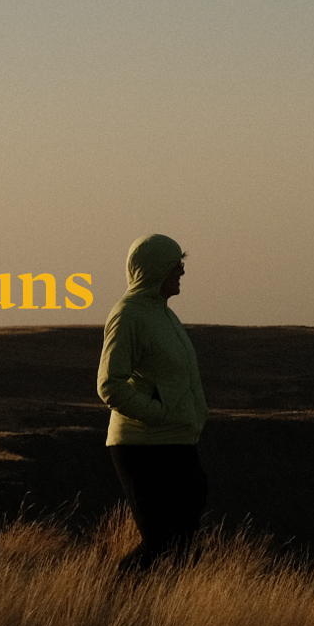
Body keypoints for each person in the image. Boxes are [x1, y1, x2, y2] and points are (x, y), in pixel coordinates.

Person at [96, 233, 208, 572]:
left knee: (184, 548)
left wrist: (194, 417)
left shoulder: (165, 315)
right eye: (176, 265)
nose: (182, 272)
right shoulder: (128, 315)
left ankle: (161, 617)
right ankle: (110, 602)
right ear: (156, 269)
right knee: (161, 542)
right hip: (141, 447)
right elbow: (109, 385)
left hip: (179, 443)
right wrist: (157, 414)